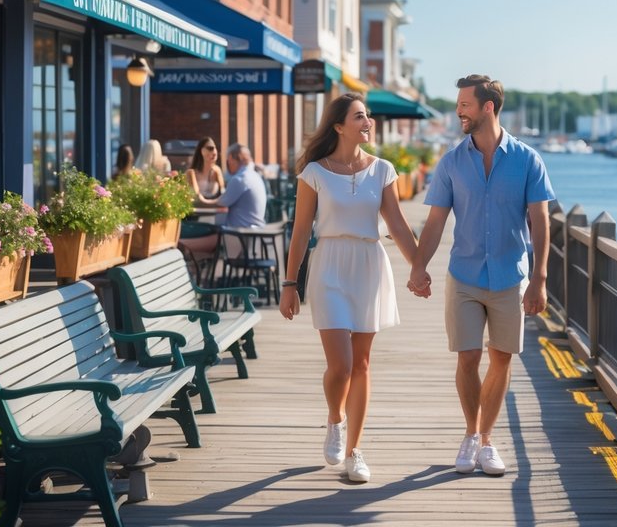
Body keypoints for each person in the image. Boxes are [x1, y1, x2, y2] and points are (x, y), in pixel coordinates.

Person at [408, 74, 555, 477]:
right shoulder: (452, 162)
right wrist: (419, 266)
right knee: (468, 356)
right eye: (459, 104)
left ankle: (485, 440)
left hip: (510, 276)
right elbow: (435, 221)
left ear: (488, 107)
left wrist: (540, 279)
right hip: (465, 275)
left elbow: (540, 222)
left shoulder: (527, 160)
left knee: (501, 358)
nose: (459, 111)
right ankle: (473, 435)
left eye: (465, 105)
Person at [280, 93, 420, 484]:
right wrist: (290, 284)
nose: (368, 121)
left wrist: (419, 269)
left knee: (361, 364)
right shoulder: (315, 172)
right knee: (339, 365)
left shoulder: (383, 170)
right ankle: (335, 418)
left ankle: (355, 451)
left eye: (368, 116)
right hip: (329, 265)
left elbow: (397, 225)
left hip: (370, 266)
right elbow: (301, 230)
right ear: (339, 126)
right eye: (360, 116)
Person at [214, 144, 267, 228]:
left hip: (239, 234)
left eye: (227, 160)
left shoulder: (239, 179)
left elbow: (220, 203)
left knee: (192, 238)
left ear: (231, 158)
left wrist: (198, 202)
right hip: (255, 232)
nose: (227, 165)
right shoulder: (255, 176)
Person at [186, 138, 225, 204]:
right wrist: (211, 202)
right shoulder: (191, 173)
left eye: (215, 148)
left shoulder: (217, 171)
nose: (214, 152)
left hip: (214, 209)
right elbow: (196, 195)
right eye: (210, 148)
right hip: (197, 210)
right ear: (202, 151)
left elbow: (223, 192)